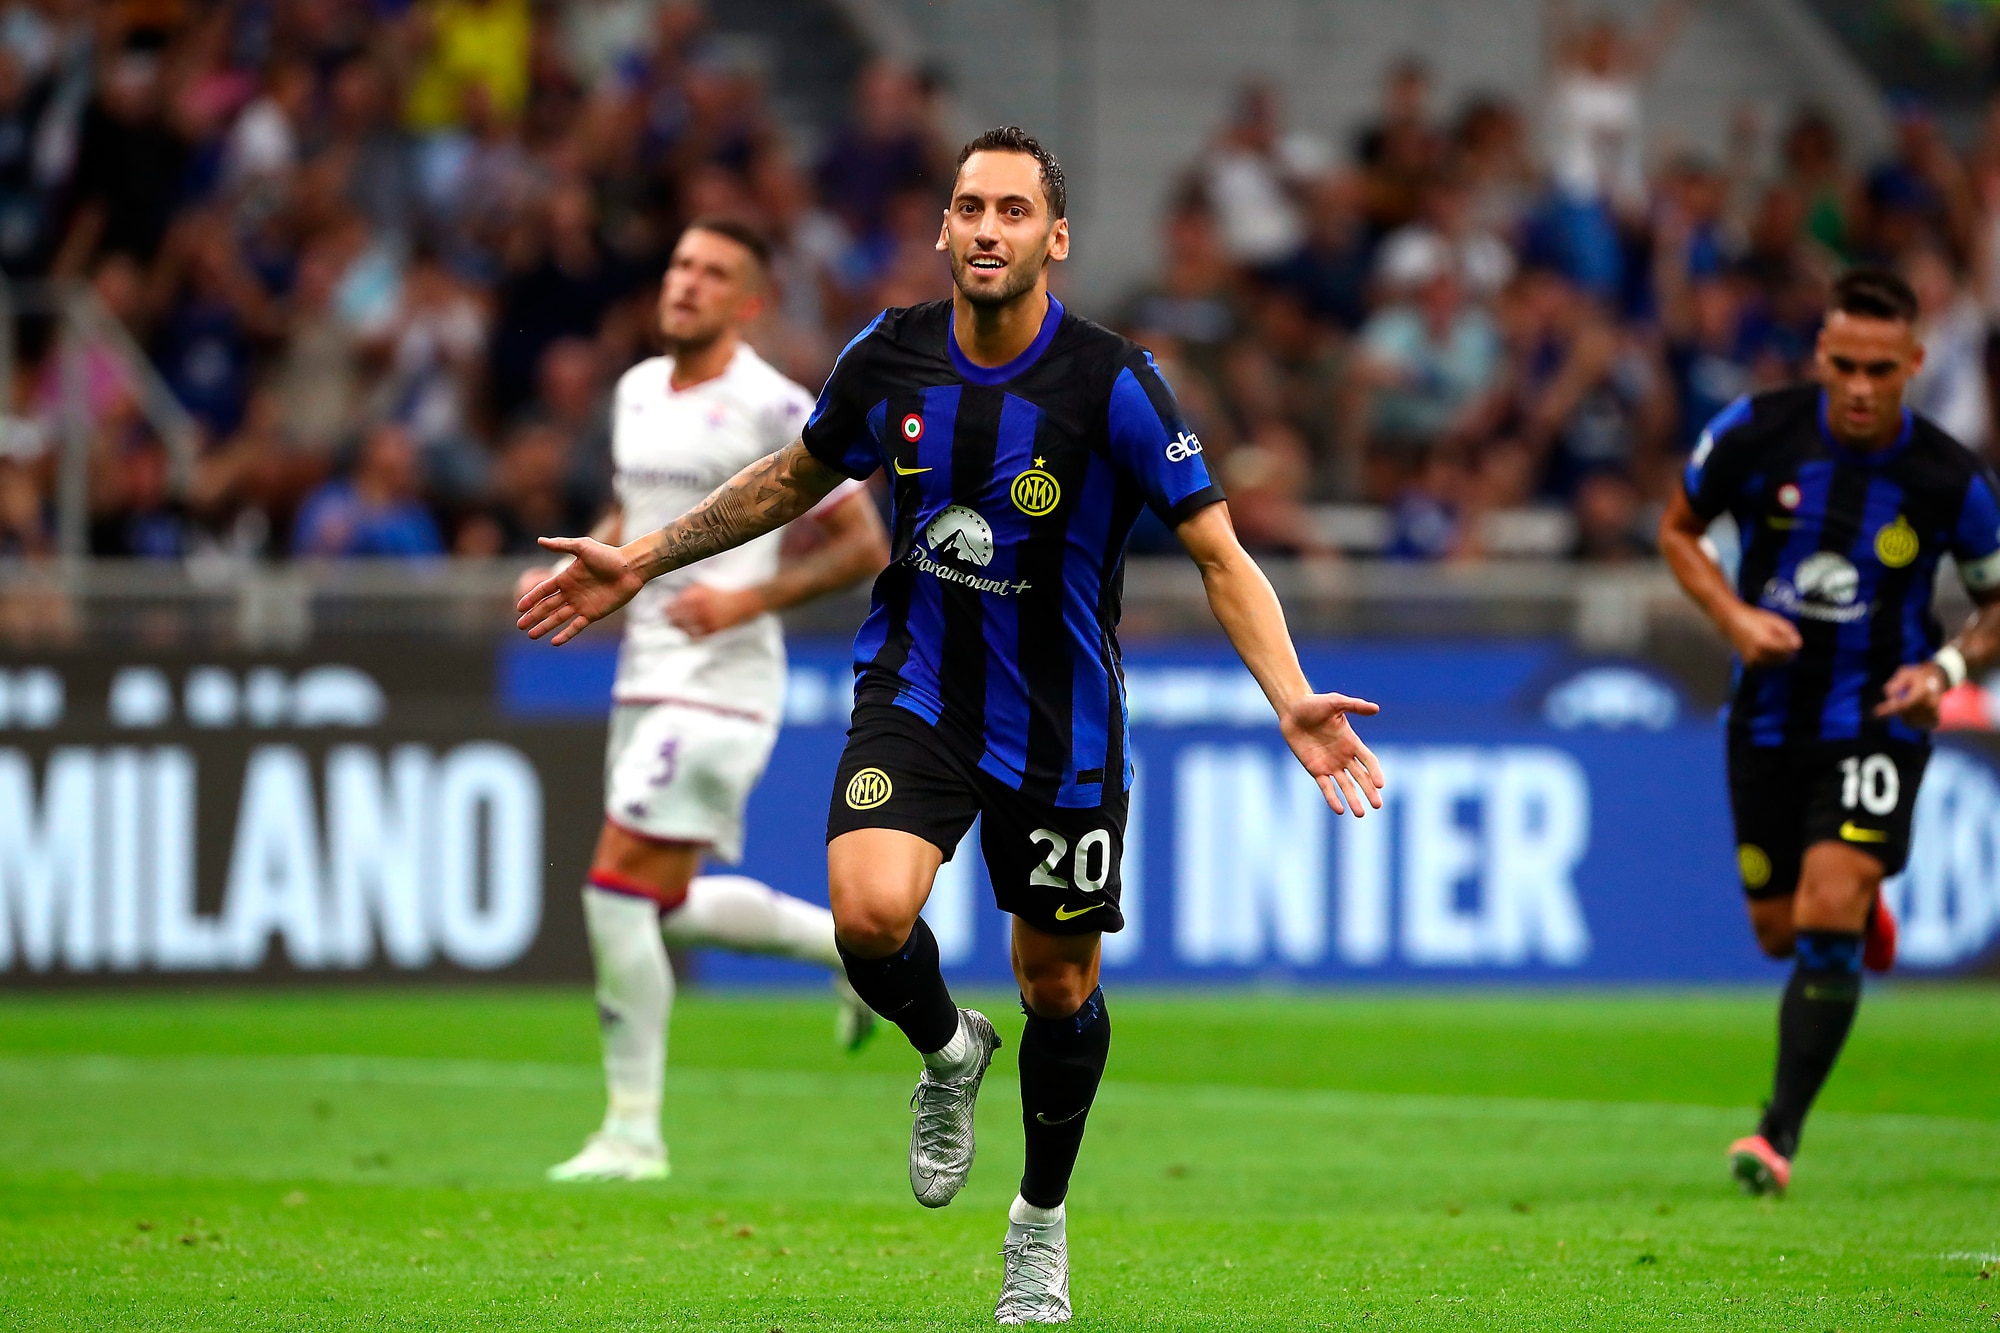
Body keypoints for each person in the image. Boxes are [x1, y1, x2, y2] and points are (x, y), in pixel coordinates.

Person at [516, 126, 1385, 1324]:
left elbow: (1219, 553)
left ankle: (1038, 1223)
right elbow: (792, 477)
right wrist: (646, 558)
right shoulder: (890, 352)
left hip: (1062, 725)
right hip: (915, 691)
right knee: (869, 915)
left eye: (1012, 211)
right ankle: (946, 1048)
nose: (986, 228)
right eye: (969, 207)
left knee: (1057, 986)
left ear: (1053, 238)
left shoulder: (1114, 381)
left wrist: (1288, 695)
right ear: (942, 228)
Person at [518, 218, 892, 1184]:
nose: (686, 283)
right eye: (680, 264)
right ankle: (850, 950)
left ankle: (633, 1133)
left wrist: (746, 600)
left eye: (714, 272)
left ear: (748, 302)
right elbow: (633, 517)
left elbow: (864, 546)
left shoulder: (776, 404)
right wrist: (576, 569)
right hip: (644, 677)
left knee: (613, 891)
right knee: (666, 905)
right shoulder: (637, 390)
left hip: (724, 685)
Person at [1659, 268, 2000, 1197]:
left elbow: (1996, 600)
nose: (1858, 386)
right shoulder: (1754, 432)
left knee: (1826, 907)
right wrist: (1732, 617)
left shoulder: (1949, 477)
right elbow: (1680, 529)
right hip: (1766, 716)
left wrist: (1946, 671)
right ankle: (1858, 906)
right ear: (1820, 352)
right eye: (1843, 364)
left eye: (1879, 369)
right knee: (1779, 930)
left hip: (1877, 717)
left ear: (1914, 363)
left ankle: (1776, 1134)